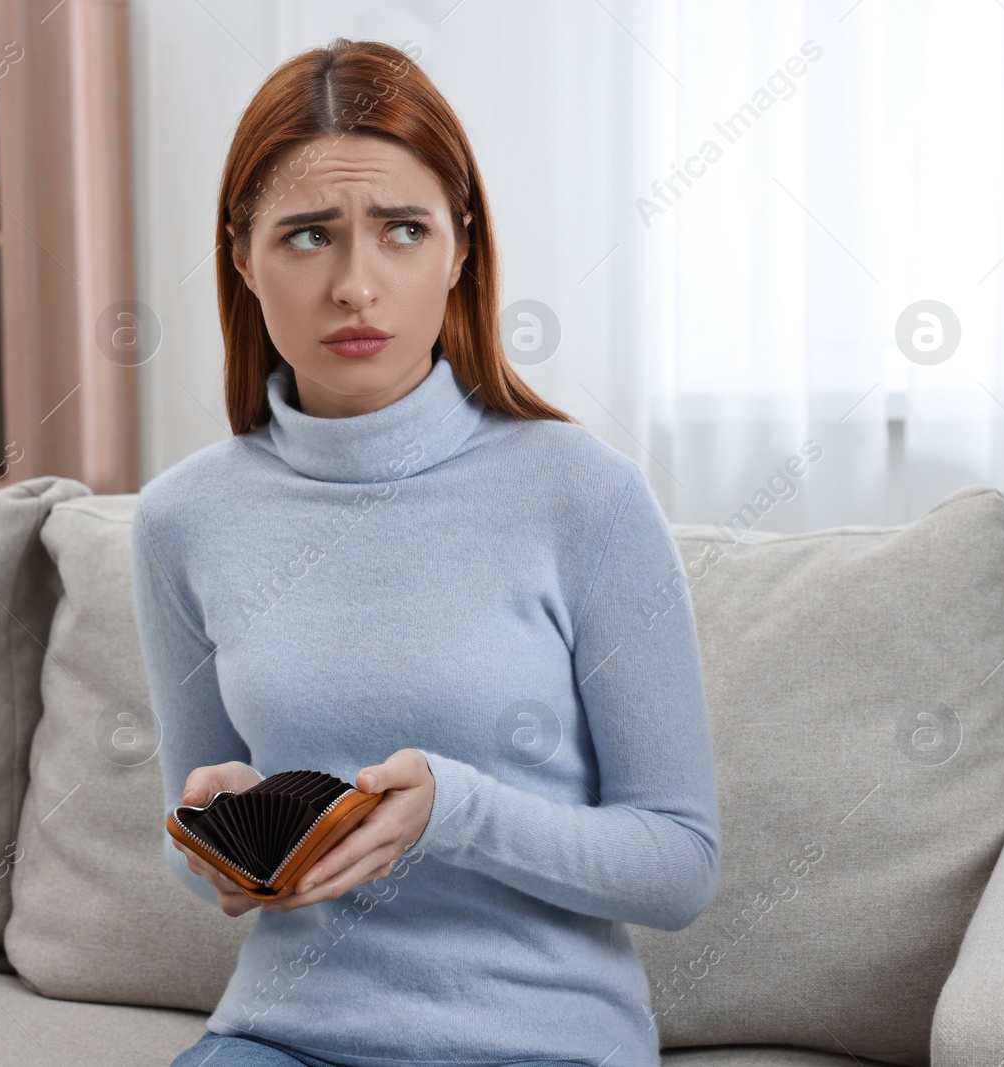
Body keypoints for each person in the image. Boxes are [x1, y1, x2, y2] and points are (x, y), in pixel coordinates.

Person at [132, 37, 720, 1067]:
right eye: (308, 236)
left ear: (458, 248)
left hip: (541, 1042)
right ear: (241, 256)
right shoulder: (182, 518)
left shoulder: (585, 494)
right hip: (281, 1035)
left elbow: (677, 865)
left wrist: (458, 809)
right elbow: (205, 851)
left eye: (402, 230)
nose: (356, 285)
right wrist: (217, 844)